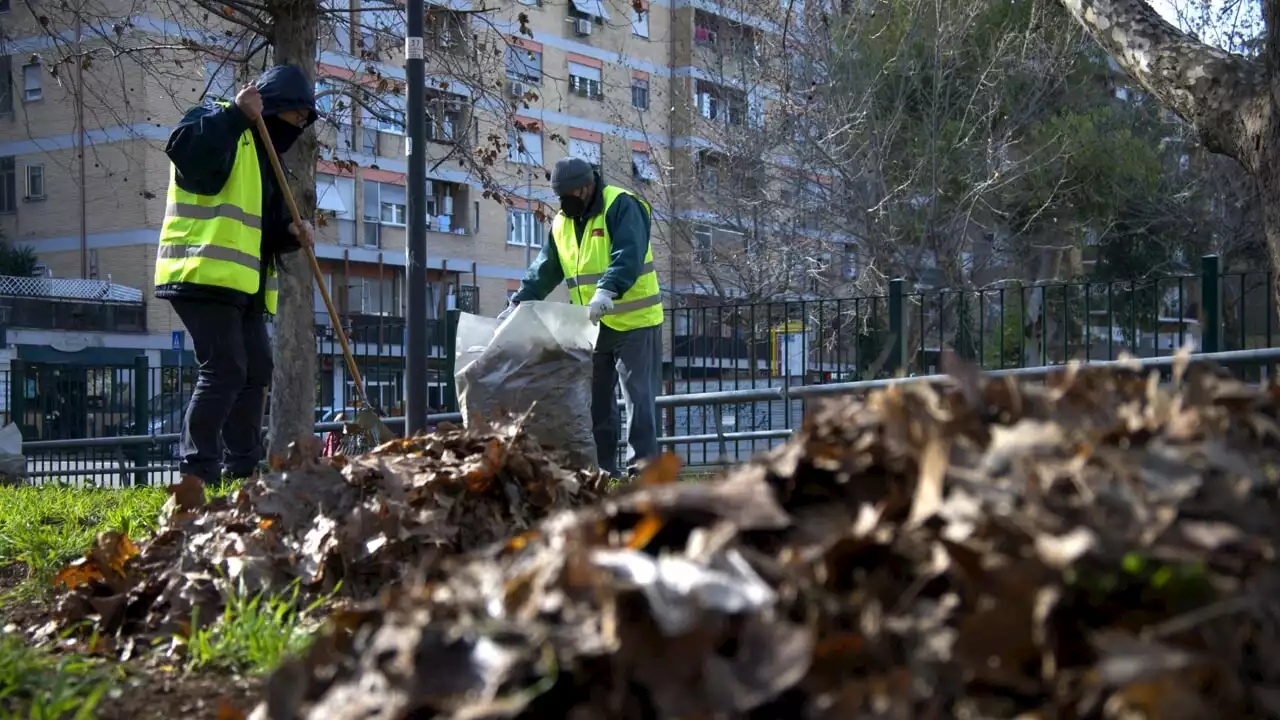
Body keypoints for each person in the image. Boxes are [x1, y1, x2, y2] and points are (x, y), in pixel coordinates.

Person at [154, 64, 318, 485]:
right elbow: (188, 153)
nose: (296, 129)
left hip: (241, 283)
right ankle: (197, 471)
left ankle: (242, 469)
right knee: (225, 367)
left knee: (257, 368)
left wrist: (292, 232)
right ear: (274, 106)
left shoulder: (267, 158)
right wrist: (235, 115)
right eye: (295, 118)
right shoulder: (216, 122)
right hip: (200, 270)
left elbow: (265, 224)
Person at [501, 157, 664, 479]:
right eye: (560, 196)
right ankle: (603, 470)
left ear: (588, 186)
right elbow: (547, 267)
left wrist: (607, 290)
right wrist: (520, 300)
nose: (564, 202)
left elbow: (628, 254)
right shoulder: (562, 222)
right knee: (596, 403)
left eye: (570, 194)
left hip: (636, 320)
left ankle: (642, 471)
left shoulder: (622, 205)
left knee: (638, 400)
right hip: (592, 325)